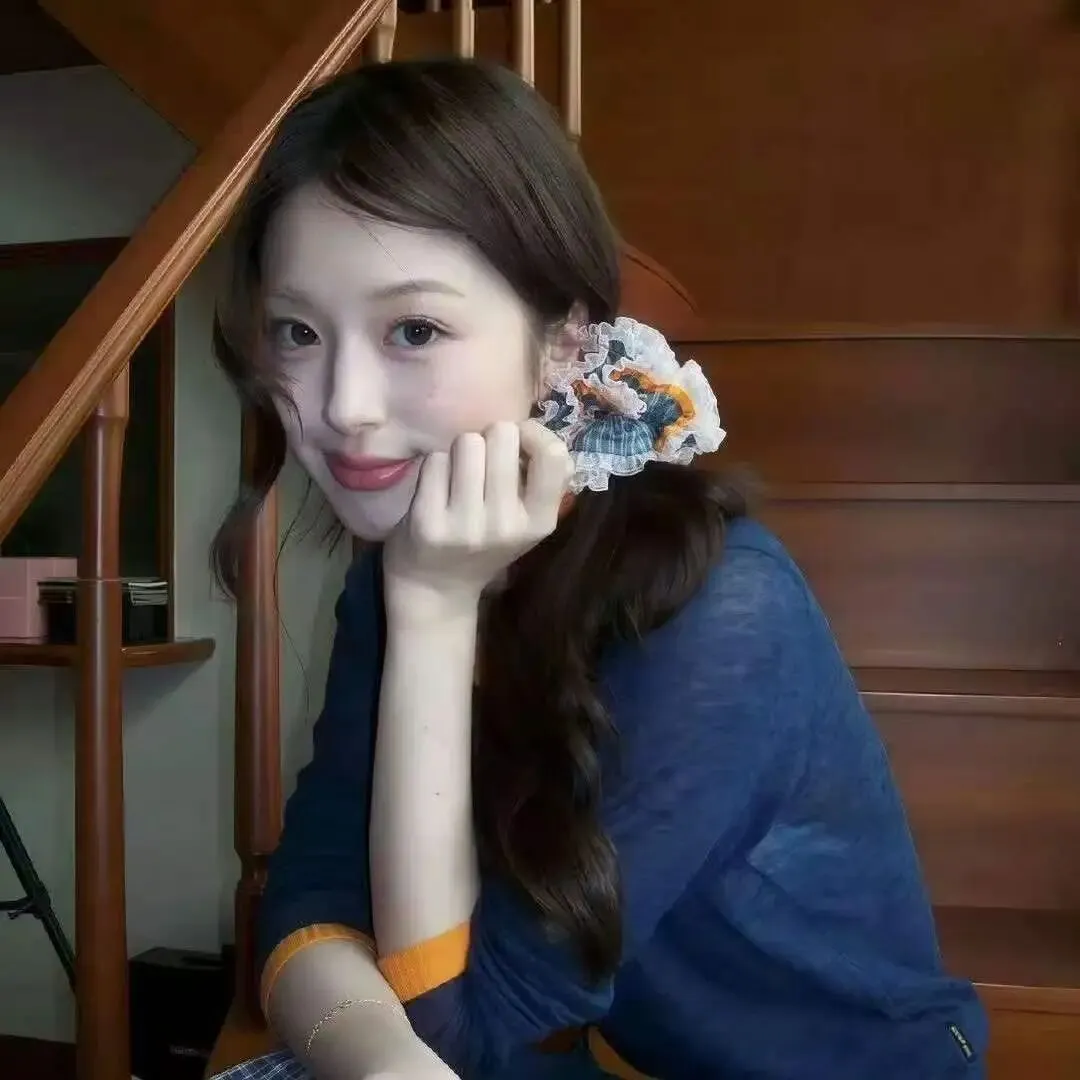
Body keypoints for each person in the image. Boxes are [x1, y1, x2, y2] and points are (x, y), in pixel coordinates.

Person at [209, 57, 987, 1080]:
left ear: (562, 345)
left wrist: (433, 609)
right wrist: (376, 1055)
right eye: (299, 332)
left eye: (414, 329)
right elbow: (316, 889)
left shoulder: (719, 614)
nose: (344, 405)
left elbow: (465, 1025)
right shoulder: (410, 559)